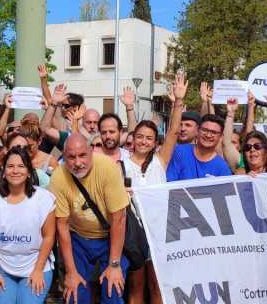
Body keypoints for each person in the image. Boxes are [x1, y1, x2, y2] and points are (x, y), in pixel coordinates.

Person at [50, 134, 130, 304]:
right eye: (71, 157)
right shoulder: (58, 177)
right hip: (78, 238)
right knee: (75, 293)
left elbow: (119, 219)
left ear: (91, 151)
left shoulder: (107, 168)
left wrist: (114, 265)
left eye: (82, 155)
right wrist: (71, 272)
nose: (77, 163)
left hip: (111, 236)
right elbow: (62, 226)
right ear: (64, 156)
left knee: (112, 289)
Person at [0, 148, 57, 304]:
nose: (15, 171)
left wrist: (38, 270)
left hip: (36, 265)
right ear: (3, 172)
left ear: (29, 171)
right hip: (2, 267)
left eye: (21, 166)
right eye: (10, 166)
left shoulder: (43, 199)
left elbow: (49, 236)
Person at [120, 120, 164, 304]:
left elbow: (173, 134)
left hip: (159, 234)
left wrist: (178, 102)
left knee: (157, 287)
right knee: (136, 288)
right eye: (139, 137)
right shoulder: (121, 165)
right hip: (135, 235)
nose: (143, 141)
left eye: (149, 138)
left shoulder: (161, 161)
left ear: (155, 142)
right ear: (133, 138)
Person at [158, 72, 232, 181]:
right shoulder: (179, 152)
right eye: (205, 130)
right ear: (198, 131)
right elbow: (172, 132)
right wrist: (178, 101)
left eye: (213, 132)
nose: (208, 135)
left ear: (220, 137)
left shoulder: (222, 168)